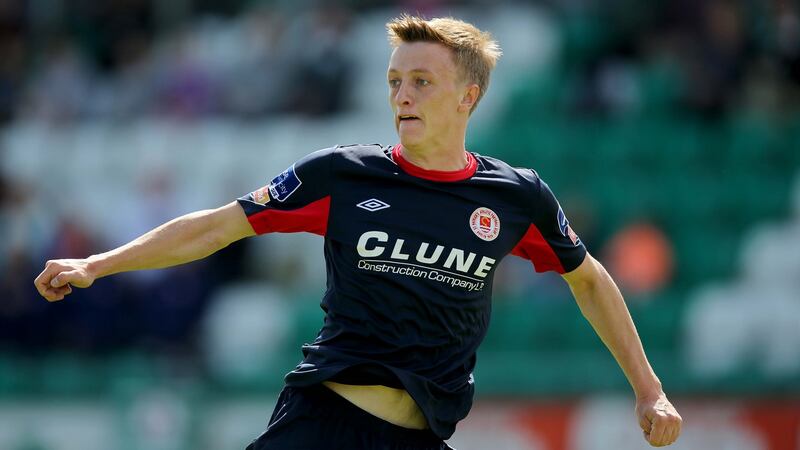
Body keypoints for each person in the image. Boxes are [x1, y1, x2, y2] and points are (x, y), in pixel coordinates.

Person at [34, 15, 682, 450]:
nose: (403, 96)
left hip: (421, 436)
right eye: (395, 82)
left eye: (421, 82)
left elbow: (590, 280)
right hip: (322, 426)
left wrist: (649, 390)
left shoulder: (515, 197)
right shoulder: (343, 174)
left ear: (469, 97)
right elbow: (215, 228)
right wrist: (97, 264)